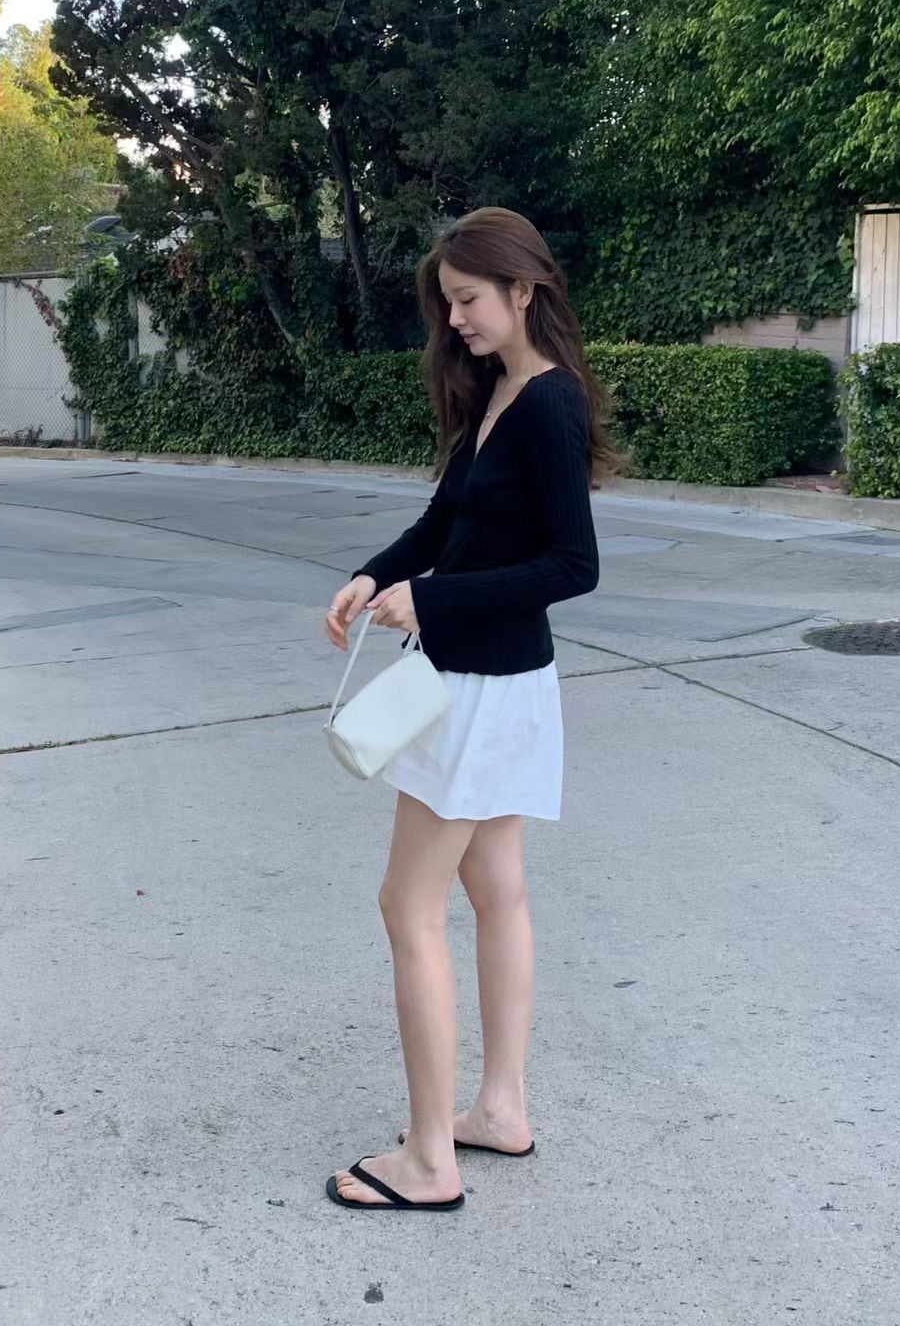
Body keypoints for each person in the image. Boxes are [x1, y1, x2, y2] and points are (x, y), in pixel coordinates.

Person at [322, 206, 620, 1215]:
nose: (454, 320)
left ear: (522, 291)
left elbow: (573, 566)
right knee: (498, 892)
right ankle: (498, 1108)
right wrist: (374, 576)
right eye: (447, 304)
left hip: (482, 690)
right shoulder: (497, 392)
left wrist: (436, 601)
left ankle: (427, 1160)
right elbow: (444, 522)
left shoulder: (550, 403)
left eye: (468, 300)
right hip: (484, 683)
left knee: (407, 907)